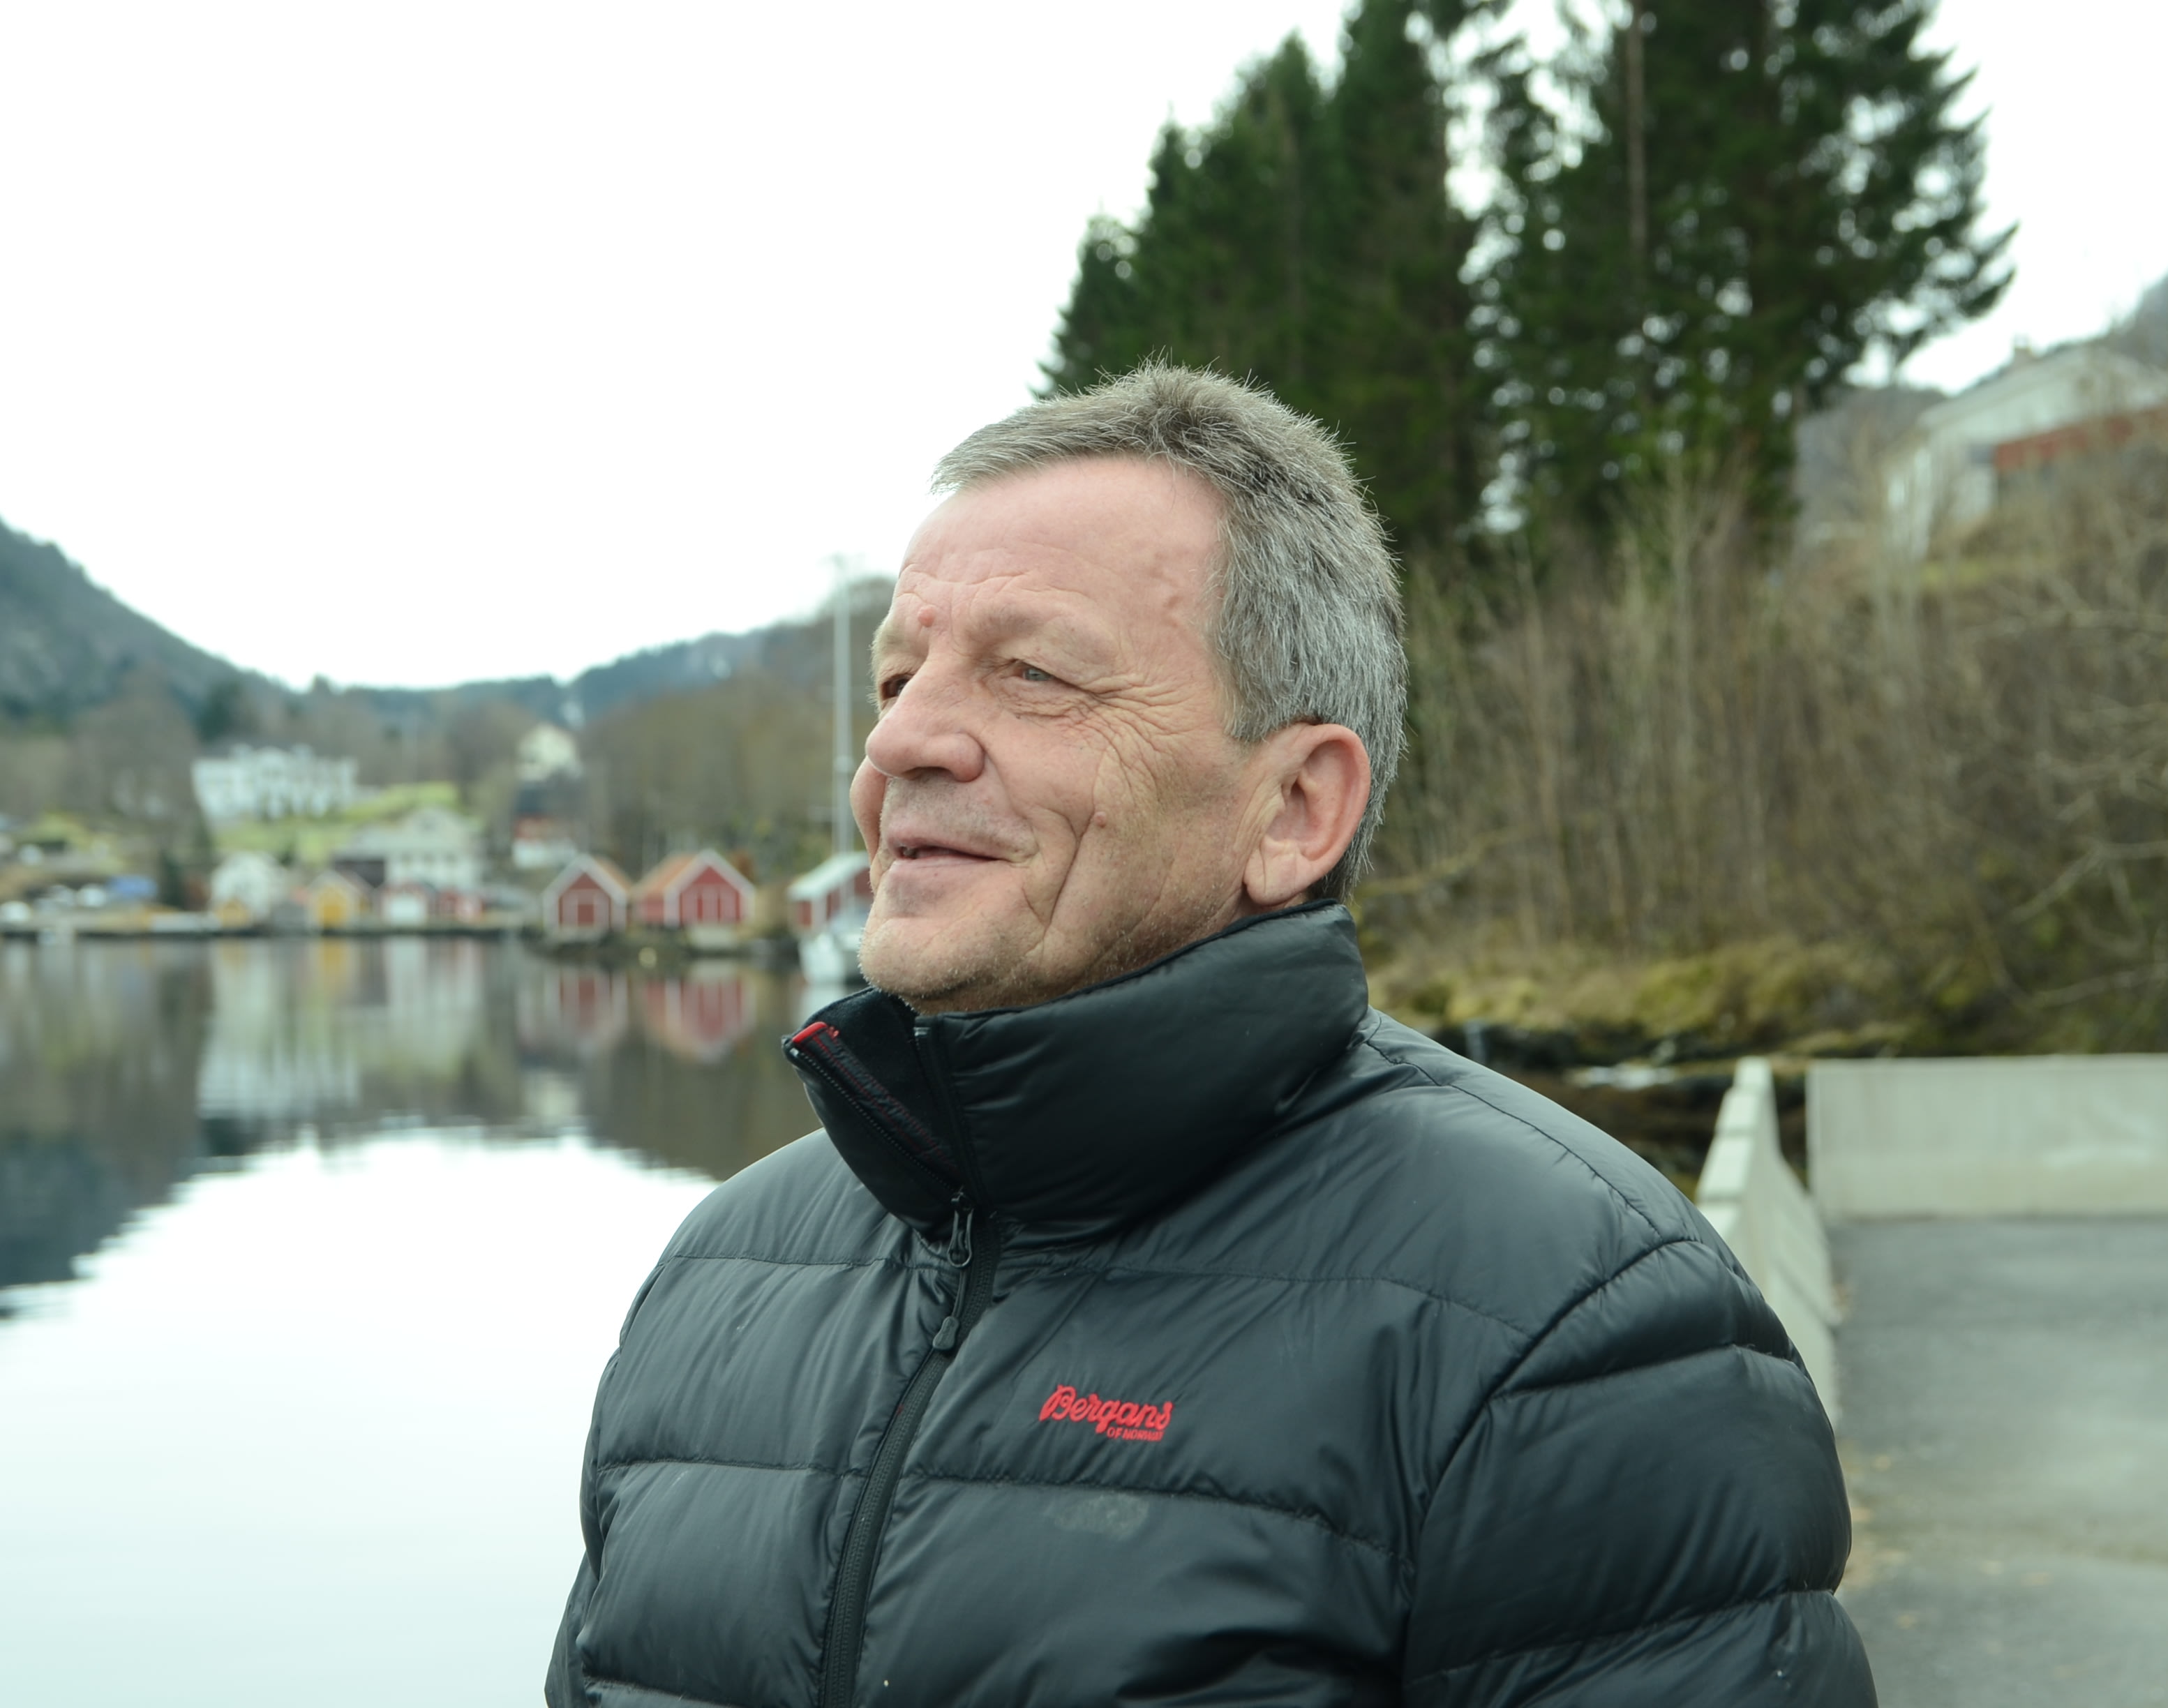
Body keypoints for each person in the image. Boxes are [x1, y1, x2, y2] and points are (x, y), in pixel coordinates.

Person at [546, 365, 1874, 1707]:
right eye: (898, 677)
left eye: (1033, 674)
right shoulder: (722, 1274)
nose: (902, 743)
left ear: (1295, 808)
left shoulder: (1576, 1325)